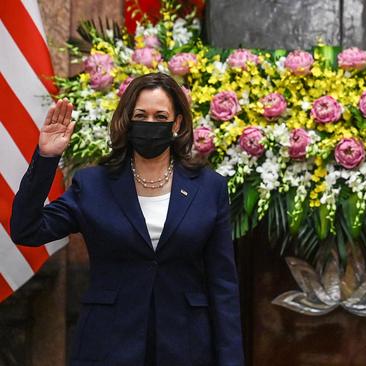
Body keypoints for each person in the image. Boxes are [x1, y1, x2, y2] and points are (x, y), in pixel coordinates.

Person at [10, 73, 244, 366]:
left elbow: (223, 285)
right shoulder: (93, 185)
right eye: (140, 115)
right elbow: (26, 230)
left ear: (178, 124)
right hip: (108, 345)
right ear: (127, 121)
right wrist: (46, 159)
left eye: (160, 116)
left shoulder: (210, 188)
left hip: (187, 346)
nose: (149, 123)